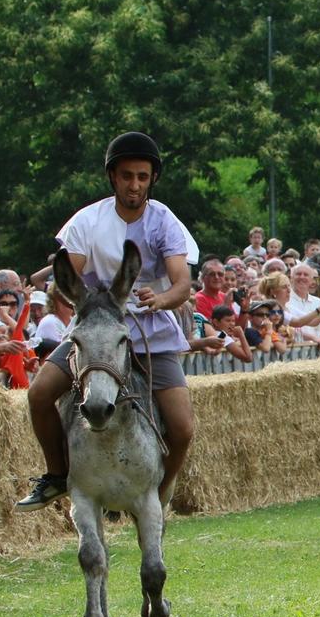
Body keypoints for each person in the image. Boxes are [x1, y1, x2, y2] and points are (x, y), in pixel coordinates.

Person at [18, 132, 196, 511]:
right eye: (127, 176)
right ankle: (55, 476)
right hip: (97, 327)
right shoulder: (87, 220)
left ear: (152, 180)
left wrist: (159, 299)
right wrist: (76, 291)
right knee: (38, 394)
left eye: (143, 177)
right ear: (113, 177)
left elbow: (182, 283)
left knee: (182, 428)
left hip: (150, 330)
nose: (135, 185)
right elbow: (73, 271)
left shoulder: (164, 221)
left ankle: (160, 491)